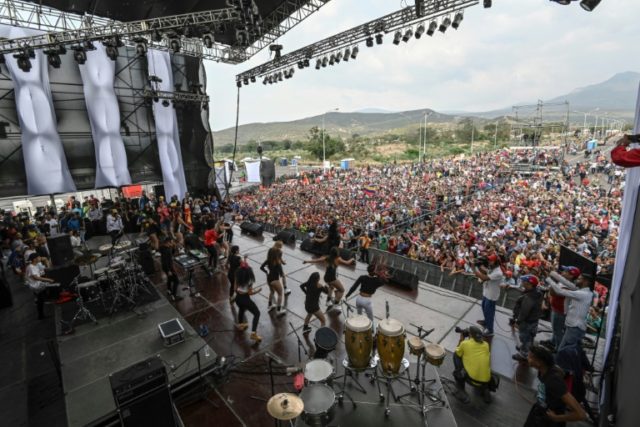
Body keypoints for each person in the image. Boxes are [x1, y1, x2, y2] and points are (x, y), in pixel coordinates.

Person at [524, 345, 587, 427]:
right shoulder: (543, 371)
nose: (527, 358)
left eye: (530, 357)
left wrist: (556, 418)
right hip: (538, 413)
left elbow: (581, 414)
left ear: (539, 362)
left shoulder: (554, 381)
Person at [550, 272, 594, 352]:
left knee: (563, 351)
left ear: (586, 282)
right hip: (574, 327)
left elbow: (560, 291)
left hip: (575, 328)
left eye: (579, 279)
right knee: (571, 351)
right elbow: (567, 284)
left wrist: (550, 280)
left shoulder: (582, 294)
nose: (577, 280)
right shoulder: (584, 292)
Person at [303, 246, 355, 314]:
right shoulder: (338, 259)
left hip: (326, 278)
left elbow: (316, 260)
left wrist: (307, 261)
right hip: (332, 278)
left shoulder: (327, 258)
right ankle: (336, 304)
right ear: (337, 253)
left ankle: (328, 301)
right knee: (342, 290)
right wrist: (352, 259)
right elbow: (347, 263)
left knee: (331, 287)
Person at [542, 266, 580, 351]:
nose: (563, 272)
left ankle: (558, 349)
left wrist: (552, 280)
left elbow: (554, 292)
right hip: (556, 308)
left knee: (557, 331)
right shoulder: (564, 282)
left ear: (571, 276)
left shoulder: (571, 286)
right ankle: (552, 342)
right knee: (555, 329)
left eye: (566, 271)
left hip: (560, 311)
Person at [452, 325, 492, 404]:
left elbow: (457, 352)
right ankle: (485, 390)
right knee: (480, 362)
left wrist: (461, 339)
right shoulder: (486, 345)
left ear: (470, 335)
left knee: (456, 355)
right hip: (486, 381)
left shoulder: (465, 344)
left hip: (472, 380)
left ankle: (460, 390)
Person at [513, 275, 543, 362]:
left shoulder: (530, 297)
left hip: (527, 322)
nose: (522, 282)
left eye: (524, 281)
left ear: (529, 284)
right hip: (533, 321)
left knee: (525, 337)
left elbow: (524, 311)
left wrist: (518, 322)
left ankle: (524, 354)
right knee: (529, 337)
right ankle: (525, 348)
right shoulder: (536, 292)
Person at [473, 254, 504, 337]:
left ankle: (490, 330)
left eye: (491, 260)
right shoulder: (492, 268)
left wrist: (474, 268)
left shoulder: (498, 273)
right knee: (484, 307)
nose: (489, 262)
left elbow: (484, 278)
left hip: (491, 296)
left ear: (496, 262)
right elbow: (486, 270)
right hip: (486, 293)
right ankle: (486, 321)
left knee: (489, 312)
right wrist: (479, 265)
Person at [234, 260, 263, 343]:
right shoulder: (250, 280)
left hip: (238, 298)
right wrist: (257, 291)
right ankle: (253, 333)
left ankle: (240, 325)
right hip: (245, 298)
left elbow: (235, 289)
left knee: (241, 309)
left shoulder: (237, 277)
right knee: (257, 313)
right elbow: (250, 293)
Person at [25, 253, 57, 319]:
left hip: (37, 284)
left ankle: (41, 315)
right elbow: (36, 277)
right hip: (36, 285)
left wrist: (46, 260)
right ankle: (49, 299)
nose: (40, 258)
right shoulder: (31, 267)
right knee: (53, 286)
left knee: (40, 300)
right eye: (39, 257)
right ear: (34, 259)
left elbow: (47, 268)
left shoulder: (35, 265)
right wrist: (48, 280)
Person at [260, 243, 287, 316]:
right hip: (275, 280)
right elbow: (281, 274)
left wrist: (266, 272)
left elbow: (261, 267)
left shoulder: (268, 260)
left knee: (272, 292)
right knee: (280, 294)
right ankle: (278, 310)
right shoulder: (278, 263)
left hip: (269, 278)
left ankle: (270, 305)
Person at [159, 237, 182, 301]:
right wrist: (168, 270)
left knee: (169, 278)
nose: (173, 243)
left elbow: (172, 254)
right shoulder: (165, 251)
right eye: (171, 242)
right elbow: (165, 261)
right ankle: (174, 296)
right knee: (176, 281)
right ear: (168, 242)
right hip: (168, 267)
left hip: (167, 267)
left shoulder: (166, 247)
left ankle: (169, 289)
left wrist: (174, 248)